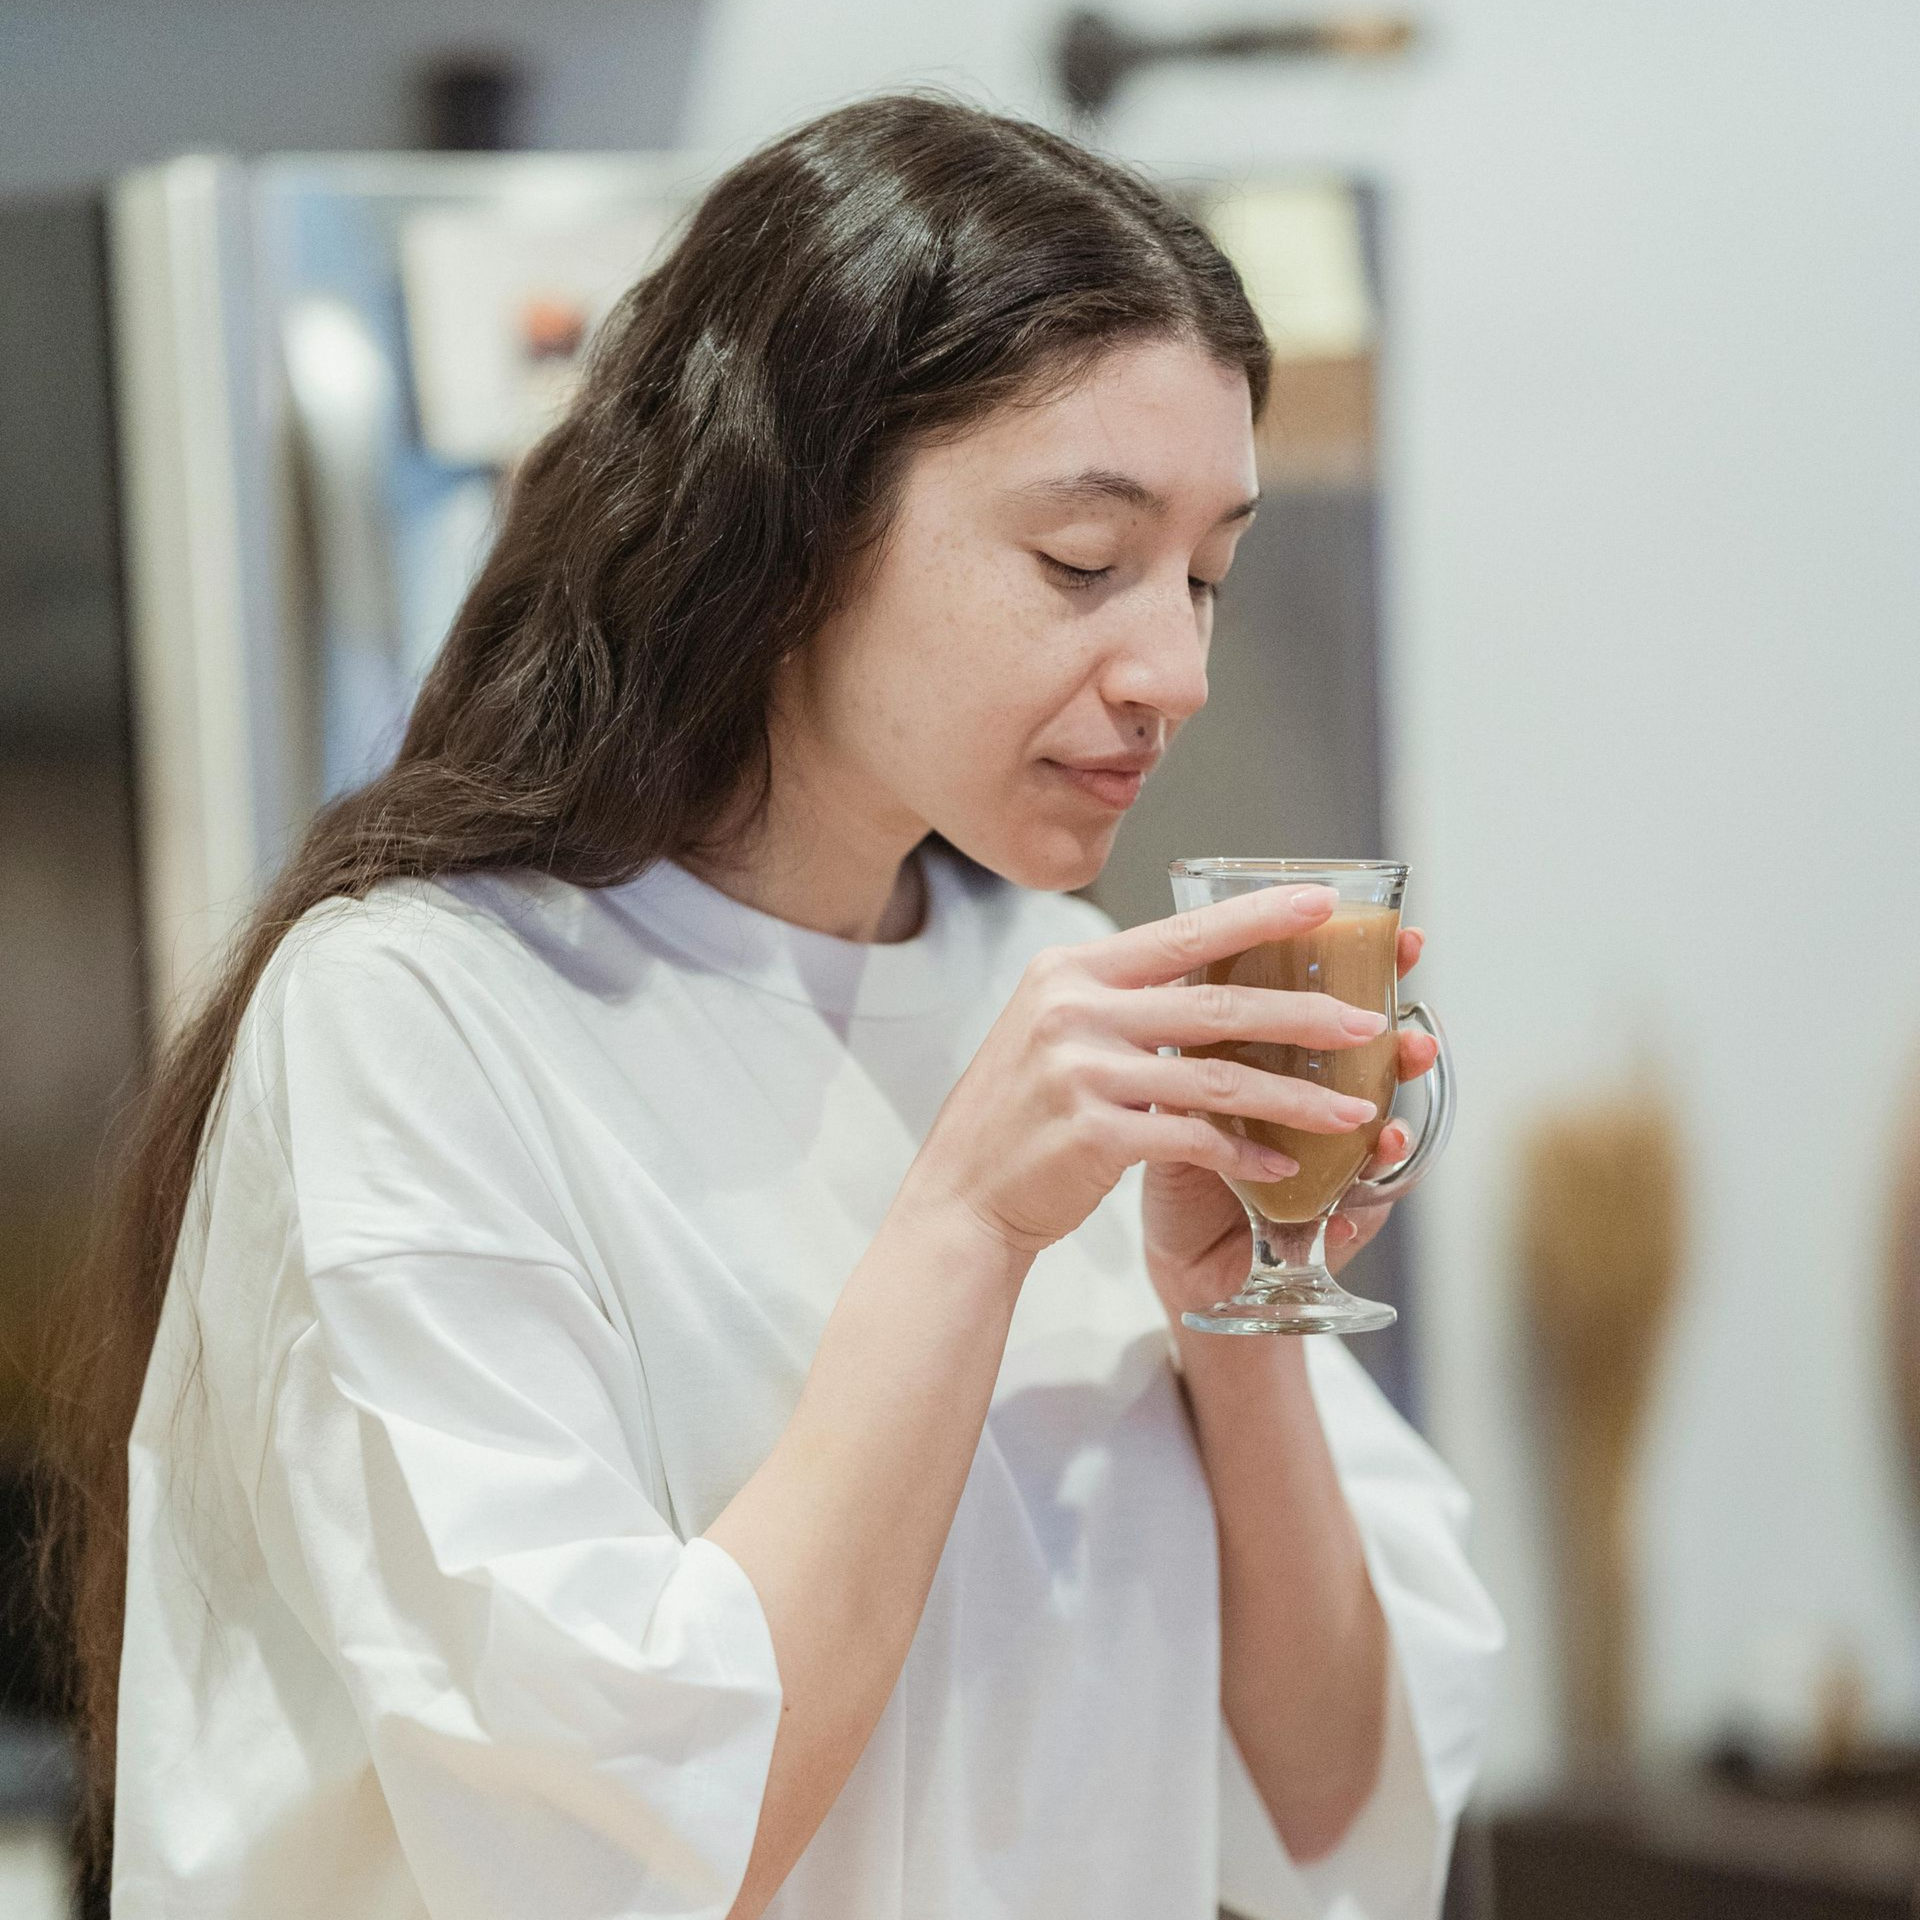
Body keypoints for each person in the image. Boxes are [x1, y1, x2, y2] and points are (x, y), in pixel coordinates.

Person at [43, 91, 1503, 1920]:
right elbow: (611, 1858)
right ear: (797, 518)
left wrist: (1235, 1327)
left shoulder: (1049, 985)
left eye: (1206, 575)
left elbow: (1332, 1812)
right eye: (1082, 561)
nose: (1176, 670)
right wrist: (966, 1225)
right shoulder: (420, 1021)